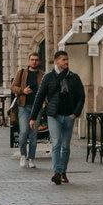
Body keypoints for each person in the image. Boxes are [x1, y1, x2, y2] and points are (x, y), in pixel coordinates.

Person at [34, 49, 86, 185]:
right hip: (54, 116)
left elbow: (81, 97)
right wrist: (33, 117)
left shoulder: (74, 77)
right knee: (56, 143)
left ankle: (63, 171)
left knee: (65, 146)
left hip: (69, 116)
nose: (66, 62)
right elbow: (39, 97)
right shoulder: (49, 77)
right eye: (64, 60)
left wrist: (75, 113)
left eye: (67, 60)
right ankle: (57, 172)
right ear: (57, 61)